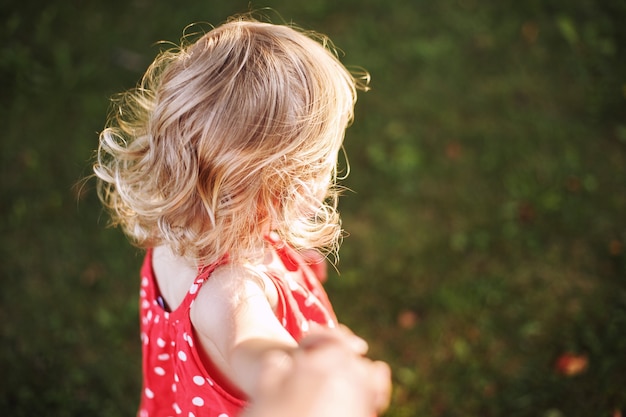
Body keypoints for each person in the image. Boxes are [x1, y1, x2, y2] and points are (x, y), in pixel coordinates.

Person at [94, 14, 388, 417]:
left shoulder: (182, 227)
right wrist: (330, 381)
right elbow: (257, 354)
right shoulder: (232, 293)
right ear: (289, 188)